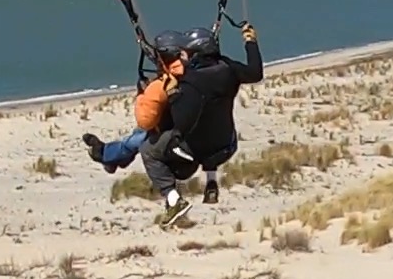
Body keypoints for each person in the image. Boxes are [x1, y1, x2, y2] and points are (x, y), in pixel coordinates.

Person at [141, 21, 262, 225]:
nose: (183, 57)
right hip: (226, 146)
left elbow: (181, 122)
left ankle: (173, 200)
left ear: (196, 53)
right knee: (212, 123)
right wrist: (250, 42)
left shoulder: (189, 81)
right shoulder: (229, 69)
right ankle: (211, 183)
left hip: (196, 151)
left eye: (186, 53)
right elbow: (256, 73)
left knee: (148, 150)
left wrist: (171, 95)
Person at [83, 30, 186, 173]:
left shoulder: (165, 84)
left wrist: (142, 94)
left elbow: (144, 120)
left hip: (174, 134)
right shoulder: (190, 74)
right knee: (140, 133)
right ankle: (116, 158)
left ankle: (107, 155)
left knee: (141, 134)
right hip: (183, 125)